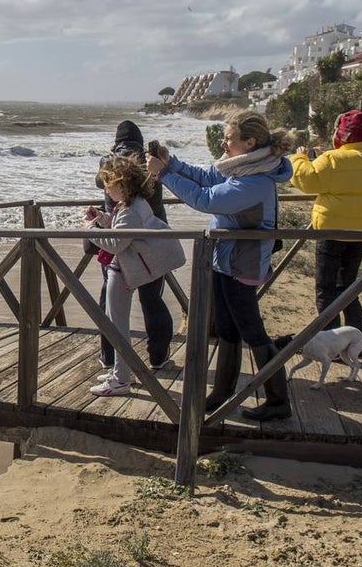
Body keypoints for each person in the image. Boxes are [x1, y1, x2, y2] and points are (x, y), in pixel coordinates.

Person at [146, 110, 293, 421]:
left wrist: (164, 175)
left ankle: (278, 399)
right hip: (227, 258)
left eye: (229, 138)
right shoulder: (246, 165)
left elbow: (206, 199)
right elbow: (209, 177)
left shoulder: (256, 180)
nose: (224, 143)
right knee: (227, 327)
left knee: (252, 329)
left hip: (244, 261)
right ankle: (223, 392)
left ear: (249, 142)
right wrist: (171, 163)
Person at [84, 155, 184, 396]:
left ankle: (120, 380)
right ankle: (122, 371)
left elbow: (115, 243)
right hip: (125, 269)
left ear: (123, 185)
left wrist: (89, 229)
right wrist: (103, 218)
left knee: (116, 326)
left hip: (123, 271)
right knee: (116, 323)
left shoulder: (130, 210)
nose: (107, 190)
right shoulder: (134, 204)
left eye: (110, 184)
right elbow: (123, 229)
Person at [289, 110, 362, 333]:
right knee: (349, 287)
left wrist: (300, 157)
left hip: (331, 231)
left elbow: (306, 181)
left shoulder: (332, 159)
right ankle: (355, 337)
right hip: (361, 232)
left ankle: (331, 338)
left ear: (341, 135)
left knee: (326, 288)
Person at [92, 120, 175, 373]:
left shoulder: (110, 163)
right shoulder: (151, 164)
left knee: (111, 301)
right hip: (150, 243)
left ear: (116, 141)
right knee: (152, 300)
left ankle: (108, 357)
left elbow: (99, 181)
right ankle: (158, 357)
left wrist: (110, 155)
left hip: (117, 242)